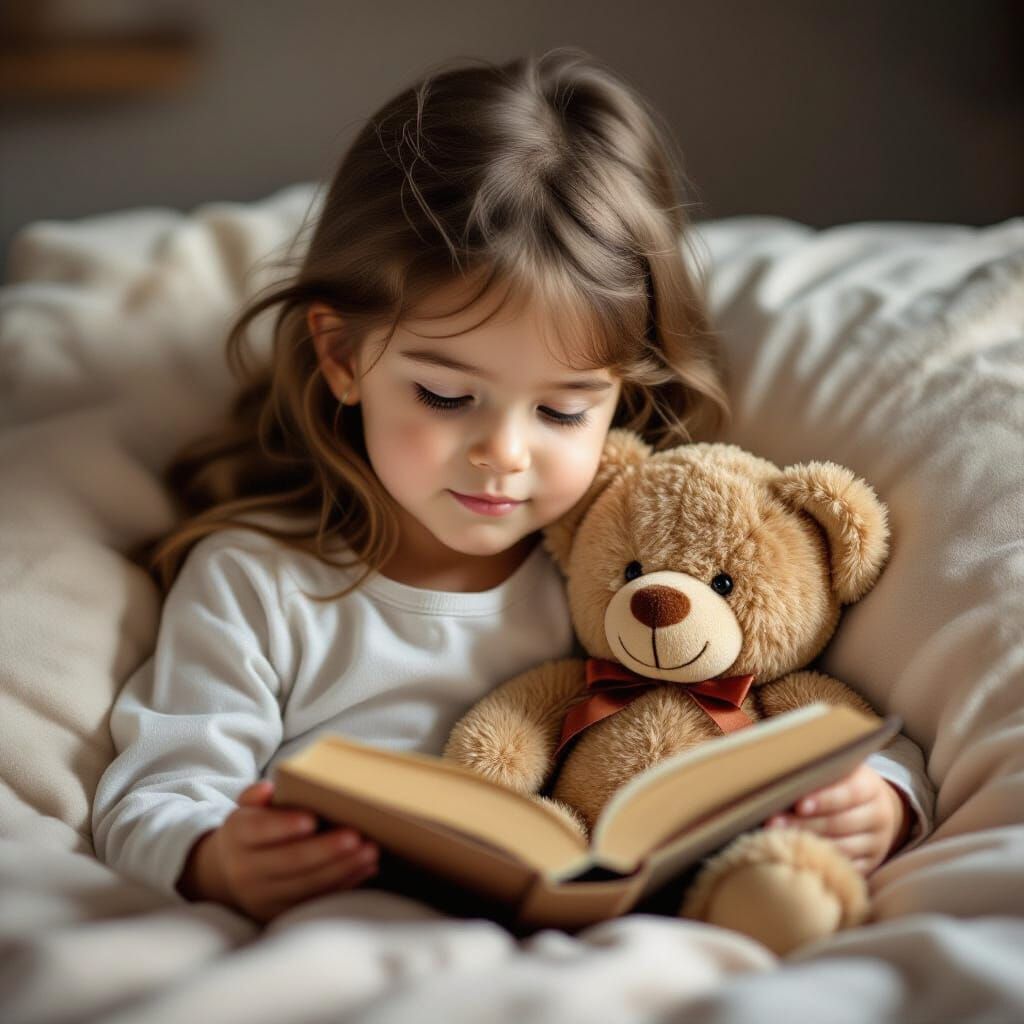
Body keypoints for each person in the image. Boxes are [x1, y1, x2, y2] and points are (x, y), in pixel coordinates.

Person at [92, 49, 933, 925]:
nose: (502, 454)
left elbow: (817, 724)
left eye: (563, 411)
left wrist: (877, 798)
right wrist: (219, 861)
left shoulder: (627, 567)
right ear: (342, 356)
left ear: (620, 397)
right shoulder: (257, 583)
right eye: (445, 396)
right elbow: (153, 797)